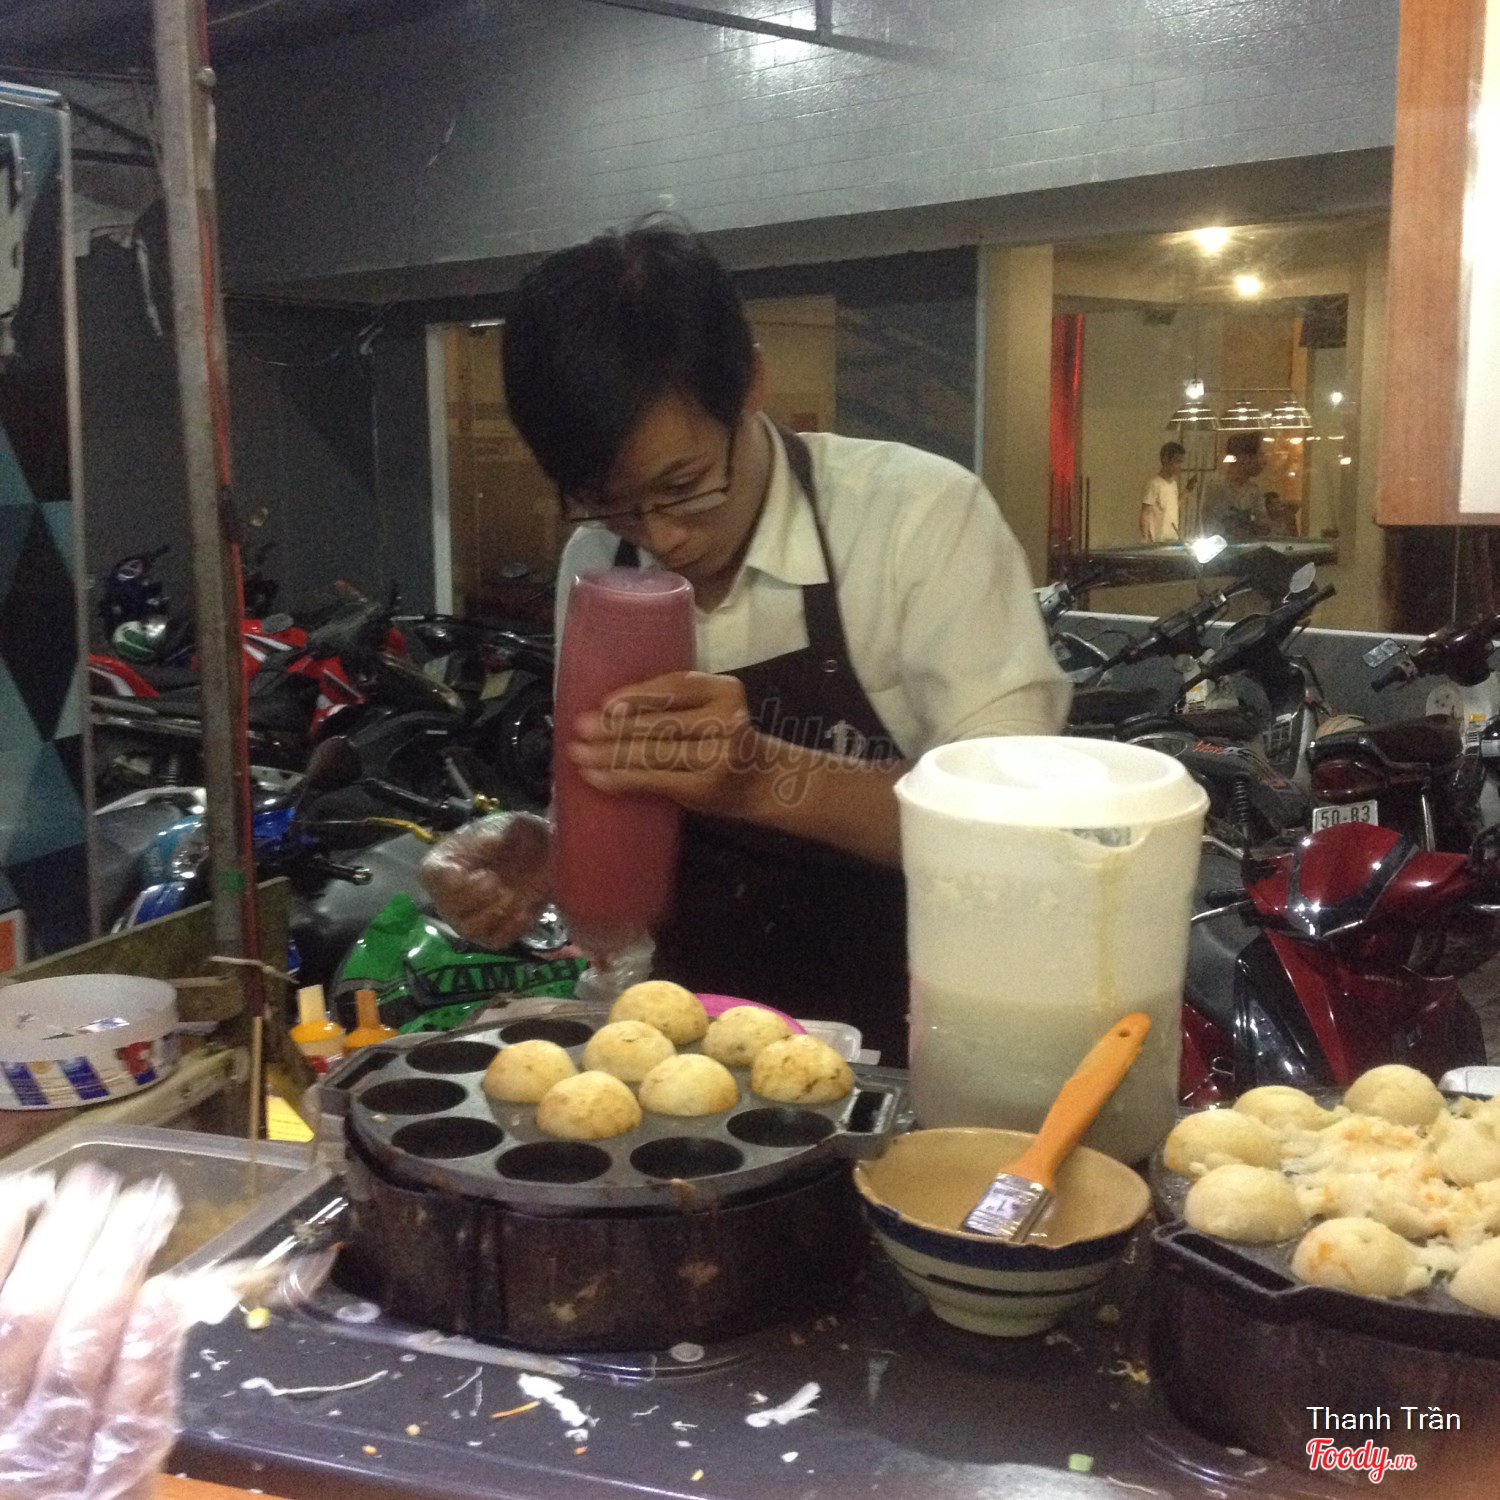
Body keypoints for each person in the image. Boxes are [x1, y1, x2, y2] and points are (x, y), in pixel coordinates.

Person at [423, 223, 1069, 1062]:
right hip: (688, 1038)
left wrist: (762, 777)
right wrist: (558, 848)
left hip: (916, 1043)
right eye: (610, 501)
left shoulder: (915, 518)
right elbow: (630, 799)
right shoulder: (600, 560)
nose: (662, 536)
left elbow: (1016, 828)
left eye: (684, 485)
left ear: (753, 383)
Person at [1200, 432, 1272, 540]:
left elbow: (1264, 527)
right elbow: (1213, 530)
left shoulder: (1254, 490)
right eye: (1260, 455)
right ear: (1244, 457)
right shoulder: (1217, 488)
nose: (1264, 461)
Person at [1139, 441, 1189, 543]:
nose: (1180, 466)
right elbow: (1145, 512)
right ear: (1166, 460)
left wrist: (1187, 491)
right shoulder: (1154, 484)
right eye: (1177, 462)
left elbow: (1173, 505)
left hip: (1173, 538)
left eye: (1181, 462)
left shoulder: (1173, 484)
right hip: (1158, 540)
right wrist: (1145, 537)